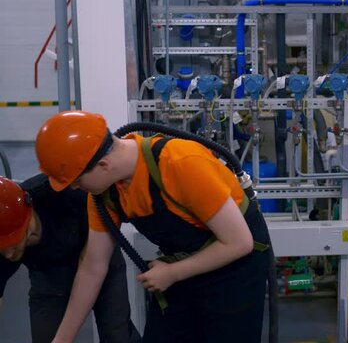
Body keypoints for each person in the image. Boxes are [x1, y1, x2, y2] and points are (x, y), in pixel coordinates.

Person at [35, 111, 271, 343]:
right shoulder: (103, 195)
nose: (75, 188)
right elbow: (92, 267)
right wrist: (62, 339)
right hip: (182, 268)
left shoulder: (180, 162)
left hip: (235, 269)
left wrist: (172, 272)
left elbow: (239, 243)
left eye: (77, 181)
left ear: (104, 164)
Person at [0, 174, 140, 343]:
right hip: (49, 278)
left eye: (13, 245)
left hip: (97, 259)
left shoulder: (64, 191)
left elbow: (93, 265)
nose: (8, 255)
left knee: (117, 335)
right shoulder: (4, 244)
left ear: (26, 220)